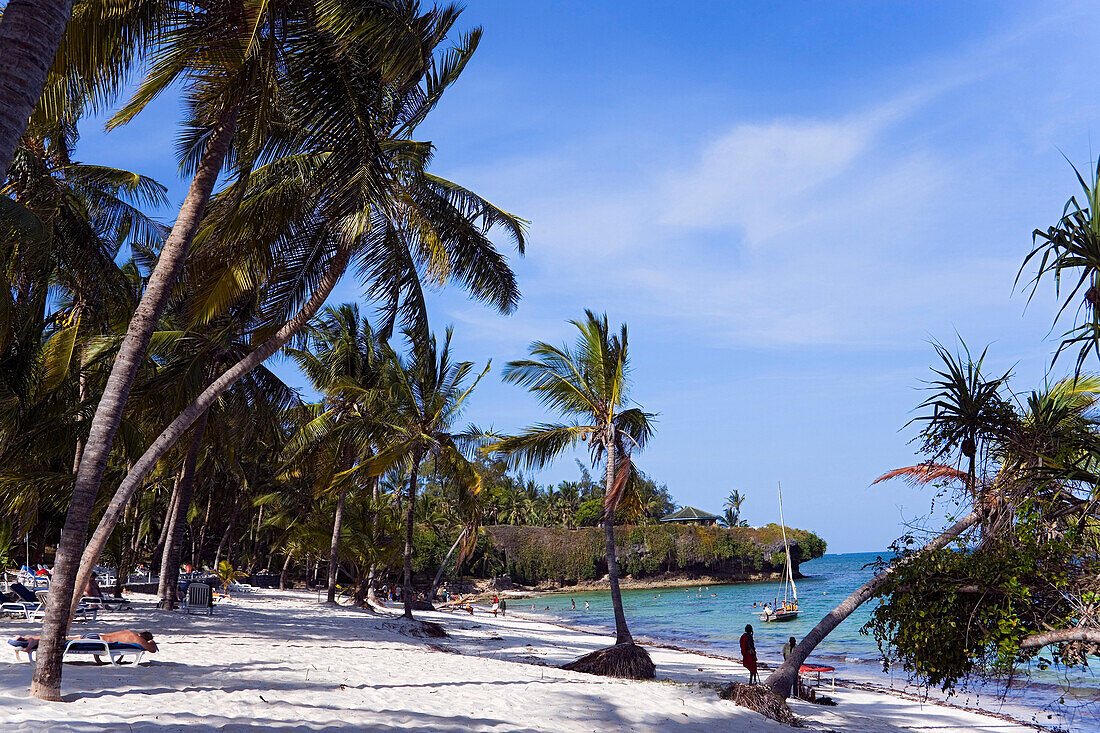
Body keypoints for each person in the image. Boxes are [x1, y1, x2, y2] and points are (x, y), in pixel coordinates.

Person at [13, 630, 158, 654]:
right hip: (97, 641)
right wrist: (151, 642)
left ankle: (26, 638)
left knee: (63, 639)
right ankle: (32, 641)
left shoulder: (127, 632)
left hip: (95, 636)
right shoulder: (136, 638)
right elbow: (151, 649)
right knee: (63, 641)